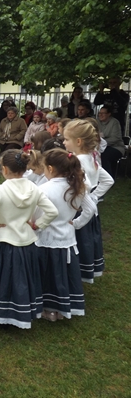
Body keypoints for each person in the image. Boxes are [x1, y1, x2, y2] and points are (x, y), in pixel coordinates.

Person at [0, 150, 58, 329]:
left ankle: (3, 314)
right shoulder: (34, 188)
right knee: (24, 279)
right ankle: (23, 311)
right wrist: (38, 224)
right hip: (27, 241)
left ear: (5, 169)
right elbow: (52, 211)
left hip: (5, 240)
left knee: (4, 278)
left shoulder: (0, 190)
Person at [35, 149, 96, 321]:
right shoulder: (77, 187)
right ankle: (61, 308)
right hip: (67, 239)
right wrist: (76, 224)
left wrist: (34, 228)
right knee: (62, 274)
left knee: (48, 274)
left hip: (45, 239)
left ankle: (47, 308)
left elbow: (37, 214)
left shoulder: (43, 189)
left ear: (50, 168)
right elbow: (91, 209)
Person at [63, 120, 114, 283]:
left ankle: (72, 276)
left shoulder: (78, 161)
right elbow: (108, 180)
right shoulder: (92, 159)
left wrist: (88, 198)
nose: (63, 143)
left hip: (79, 211)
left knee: (76, 244)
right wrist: (94, 196)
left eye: (66, 139)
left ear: (78, 141)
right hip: (88, 210)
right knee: (84, 243)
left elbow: (83, 185)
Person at [97, 105, 126, 178]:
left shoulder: (114, 122)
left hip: (116, 147)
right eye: (99, 113)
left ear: (109, 114)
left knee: (104, 155)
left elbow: (115, 138)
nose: (100, 115)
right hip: (100, 146)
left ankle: (108, 178)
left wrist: (101, 143)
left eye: (103, 113)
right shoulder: (97, 122)